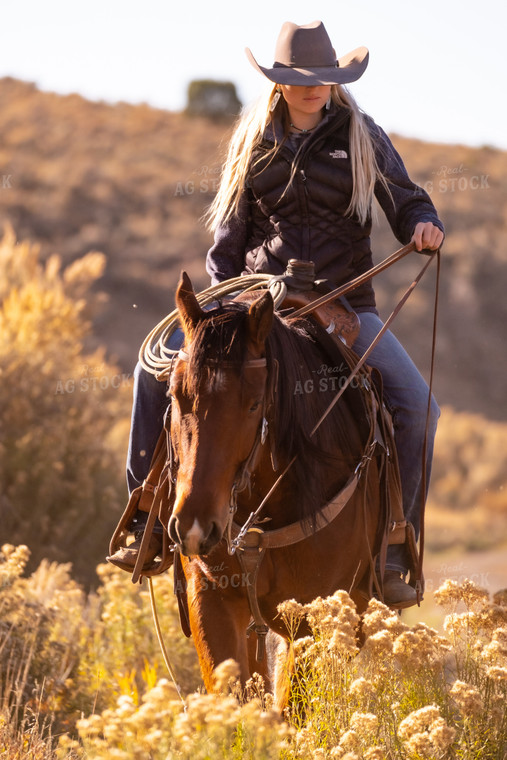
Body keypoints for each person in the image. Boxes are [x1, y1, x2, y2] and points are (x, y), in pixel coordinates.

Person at [108, 20, 444, 608]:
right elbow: (228, 242)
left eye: (324, 78)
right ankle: (145, 517)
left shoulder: (363, 136)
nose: (314, 88)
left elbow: (405, 195)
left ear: (338, 79)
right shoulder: (253, 140)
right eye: (299, 79)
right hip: (258, 300)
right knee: (150, 374)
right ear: (279, 83)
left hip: (345, 306)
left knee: (418, 408)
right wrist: (223, 312)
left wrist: (422, 221)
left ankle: (395, 545)